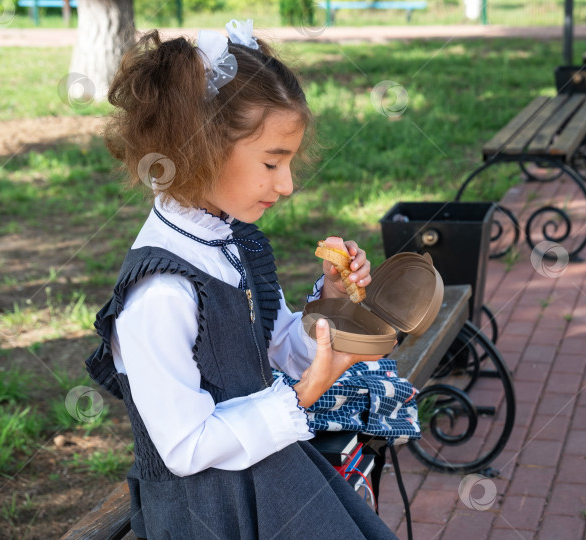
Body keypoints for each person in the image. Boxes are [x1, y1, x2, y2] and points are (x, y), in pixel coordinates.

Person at [86, 19, 398, 539]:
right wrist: (303, 394)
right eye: (273, 162)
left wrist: (332, 305)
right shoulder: (161, 292)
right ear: (200, 149)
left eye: (290, 162)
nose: (289, 184)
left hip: (267, 471)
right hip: (209, 510)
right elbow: (185, 447)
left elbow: (272, 348)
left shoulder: (234, 240)